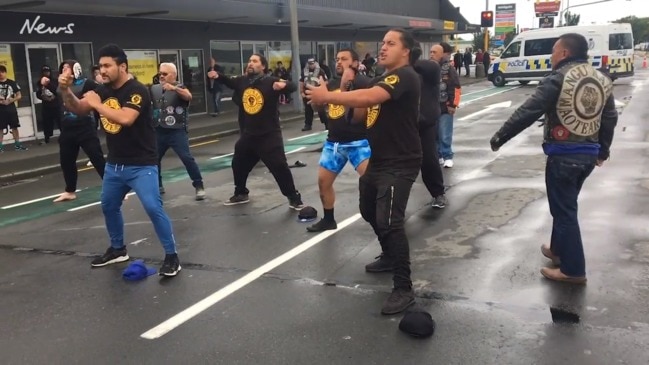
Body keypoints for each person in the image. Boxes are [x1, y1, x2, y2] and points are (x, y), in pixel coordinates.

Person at [306, 28, 422, 315]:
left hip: (401, 162)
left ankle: (403, 287)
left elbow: (370, 97)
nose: (383, 48)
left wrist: (328, 95)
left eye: (390, 44)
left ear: (405, 51)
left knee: (390, 220)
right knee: (369, 210)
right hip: (379, 160)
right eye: (382, 43)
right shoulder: (382, 78)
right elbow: (360, 113)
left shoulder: (404, 76)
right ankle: (389, 256)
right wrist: (343, 90)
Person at [490, 33, 618, 284]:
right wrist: (603, 150)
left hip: (564, 155)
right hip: (588, 155)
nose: (551, 56)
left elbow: (529, 110)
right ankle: (558, 251)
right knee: (566, 205)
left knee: (564, 210)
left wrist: (500, 137)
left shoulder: (558, 78)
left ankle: (573, 270)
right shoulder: (602, 78)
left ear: (564, 53)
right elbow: (610, 117)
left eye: (553, 51)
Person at [58, 44, 181, 276]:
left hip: (142, 163)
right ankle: (118, 249)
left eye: (107, 66)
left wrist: (96, 104)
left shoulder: (137, 90)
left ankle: (172, 256)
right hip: (115, 164)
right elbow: (78, 108)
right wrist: (65, 90)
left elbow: (125, 118)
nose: (102, 71)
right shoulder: (102, 90)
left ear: (121, 66)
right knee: (108, 205)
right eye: (100, 66)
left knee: (153, 207)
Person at [208, 54, 305, 210]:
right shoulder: (242, 81)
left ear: (263, 66)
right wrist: (217, 75)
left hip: (269, 134)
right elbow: (229, 81)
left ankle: (293, 197)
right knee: (238, 163)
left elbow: (293, 86)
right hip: (249, 134)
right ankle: (241, 193)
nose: (250, 63)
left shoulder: (271, 81)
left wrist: (284, 85)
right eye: (249, 61)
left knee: (279, 167)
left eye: (254, 61)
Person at [306, 48, 372, 232]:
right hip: (334, 143)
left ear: (355, 63)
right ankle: (328, 219)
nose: (338, 62)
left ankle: (388, 218)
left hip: (360, 143)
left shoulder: (365, 83)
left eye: (344, 59)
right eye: (337, 59)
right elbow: (320, 108)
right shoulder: (330, 84)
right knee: (323, 182)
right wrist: (317, 102)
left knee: (373, 183)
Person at [52, 60, 106, 203]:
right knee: (66, 161)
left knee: (97, 158)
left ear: (76, 69)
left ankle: (114, 187)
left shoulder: (86, 83)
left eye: (67, 68)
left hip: (85, 127)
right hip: (67, 129)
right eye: (62, 68)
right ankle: (70, 191)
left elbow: (103, 91)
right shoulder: (61, 85)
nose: (64, 70)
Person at [151, 62, 205, 200]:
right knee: (154, 159)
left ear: (173, 75)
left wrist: (174, 88)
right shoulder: (154, 88)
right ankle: (158, 185)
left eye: (165, 74)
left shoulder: (180, 87)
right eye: (160, 73)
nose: (161, 76)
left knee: (186, 158)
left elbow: (188, 96)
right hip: (159, 129)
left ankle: (199, 185)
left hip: (177, 130)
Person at [413, 57, 447, 208]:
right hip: (403, 124)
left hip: (425, 122)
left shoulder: (429, 69)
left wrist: (407, 61)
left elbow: (433, 68)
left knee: (428, 160)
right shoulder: (396, 72)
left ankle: (438, 193)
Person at [432, 42, 462, 168]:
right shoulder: (429, 68)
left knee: (445, 134)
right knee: (434, 134)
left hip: (445, 107)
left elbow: (456, 87)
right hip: (432, 108)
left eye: (435, 52)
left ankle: (447, 156)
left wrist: (453, 105)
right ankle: (438, 155)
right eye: (431, 52)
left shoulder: (449, 69)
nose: (432, 54)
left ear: (442, 54)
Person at [0, 65, 27, 152]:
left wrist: (11, 100)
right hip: (1, 110)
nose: (0, 74)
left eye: (2, 72)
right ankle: (0, 147)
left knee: (14, 127)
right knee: (0, 128)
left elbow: (19, 95)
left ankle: (17, 145)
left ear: (5, 72)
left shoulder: (12, 83)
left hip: (11, 109)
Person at [300, 57, 328, 131]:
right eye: (309, 64)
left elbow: (325, 81)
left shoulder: (320, 71)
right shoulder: (304, 71)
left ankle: (327, 123)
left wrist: (323, 91)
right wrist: (302, 92)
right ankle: (308, 125)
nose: (311, 65)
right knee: (308, 110)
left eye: (312, 64)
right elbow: (301, 82)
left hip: (317, 92)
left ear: (315, 63)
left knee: (320, 109)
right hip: (307, 92)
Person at [35, 65, 61, 145]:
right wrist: (43, 97)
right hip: (46, 106)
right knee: (47, 123)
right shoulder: (39, 82)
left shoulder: (55, 81)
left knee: (60, 122)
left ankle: (64, 137)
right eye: (44, 72)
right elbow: (38, 93)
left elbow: (58, 91)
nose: (46, 73)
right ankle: (47, 139)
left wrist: (48, 84)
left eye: (47, 71)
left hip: (56, 105)